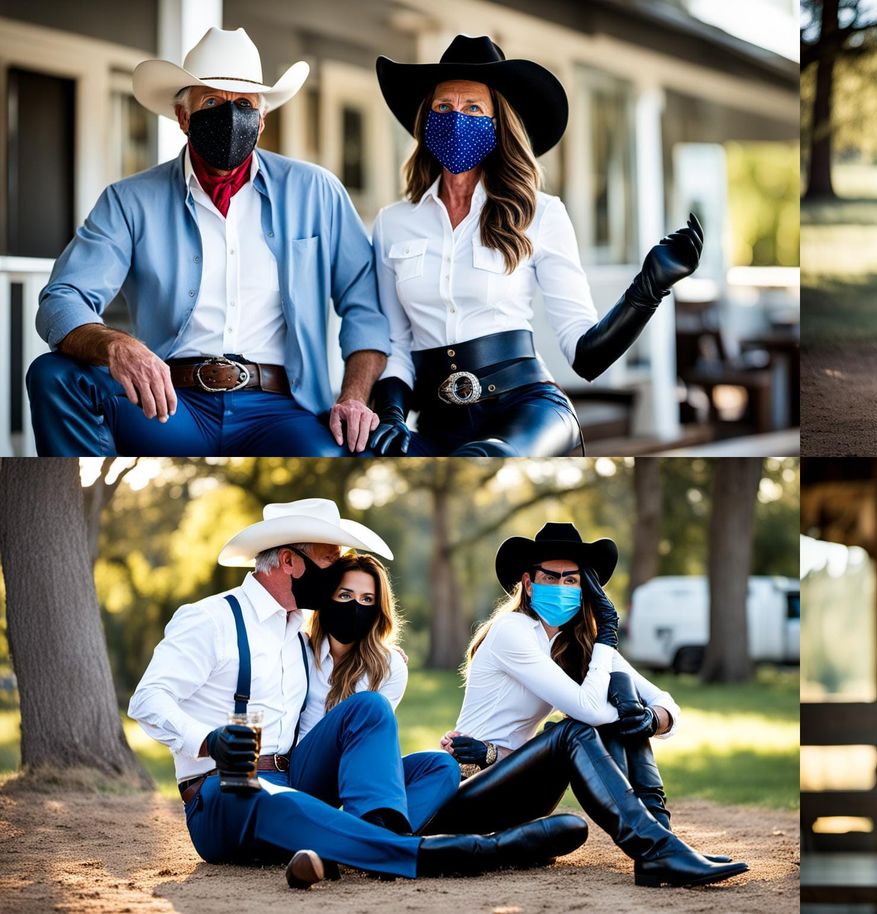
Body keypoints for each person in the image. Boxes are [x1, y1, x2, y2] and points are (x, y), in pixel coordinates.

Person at [127, 499, 587, 889]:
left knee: (432, 760)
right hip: (222, 795)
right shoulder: (211, 619)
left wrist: (384, 659)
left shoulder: (295, 631)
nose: (336, 576)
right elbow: (148, 700)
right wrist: (209, 740)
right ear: (290, 561)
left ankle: (359, 842)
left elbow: (341, 693)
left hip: (298, 777)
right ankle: (469, 852)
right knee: (277, 798)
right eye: (330, 561)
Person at [27, 28, 389, 457]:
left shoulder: (316, 191)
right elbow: (61, 298)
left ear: (262, 119)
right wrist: (115, 344)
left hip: (280, 408)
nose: (230, 117)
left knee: (339, 454)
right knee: (52, 375)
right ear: (183, 116)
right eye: (212, 103)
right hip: (167, 405)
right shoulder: (129, 200)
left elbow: (366, 306)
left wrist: (353, 396)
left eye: (244, 105)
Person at [364, 36, 704, 456]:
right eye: (444, 107)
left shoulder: (541, 214)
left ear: (498, 123)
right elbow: (396, 343)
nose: (456, 118)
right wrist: (392, 414)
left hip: (525, 409)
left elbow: (586, 355)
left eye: (473, 108)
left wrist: (651, 286)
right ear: (426, 119)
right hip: (436, 422)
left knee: (484, 458)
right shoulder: (394, 223)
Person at [422, 522, 747, 887]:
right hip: (467, 795)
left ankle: (660, 842)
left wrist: (649, 719)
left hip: (517, 790)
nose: (561, 587)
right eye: (551, 577)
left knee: (620, 692)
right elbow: (589, 712)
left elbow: (665, 703)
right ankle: (658, 849)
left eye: (571, 580)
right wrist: (609, 635)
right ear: (529, 584)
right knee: (576, 728)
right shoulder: (511, 630)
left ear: (584, 588)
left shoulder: (574, 644)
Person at [292, 552, 461, 840]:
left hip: (357, 777)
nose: (355, 606)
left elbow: (369, 745)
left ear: (378, 609)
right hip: (306, 774)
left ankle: (366, 837)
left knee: (443, 767)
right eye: (345, 596)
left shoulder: (390, 666)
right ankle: (375, 840)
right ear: (327, 598)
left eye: (367, 600)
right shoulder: (296, 649)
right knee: (369, 704)